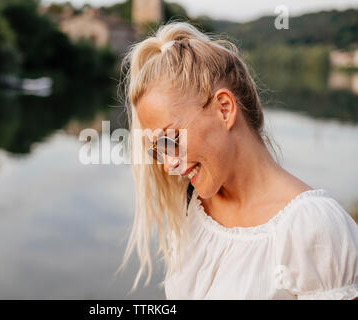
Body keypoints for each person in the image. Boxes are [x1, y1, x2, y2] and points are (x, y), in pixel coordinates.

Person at [117, 22, 358, 299]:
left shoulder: (314, 229)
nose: (169, 165)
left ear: (224, 108)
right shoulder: (192, 210)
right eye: (159, 148)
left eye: (171, 139)